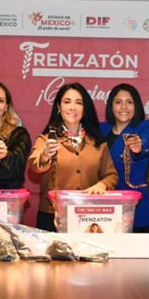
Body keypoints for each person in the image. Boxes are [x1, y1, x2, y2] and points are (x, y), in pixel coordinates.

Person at [28, 83, 118, 231]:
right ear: (59, 107)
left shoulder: (98, 141)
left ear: (84, 109)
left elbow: (111, 175)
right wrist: (45, 155)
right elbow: (34, 165)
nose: (72, 107)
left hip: (89, 216)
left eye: (78, 103)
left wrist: (102, 185)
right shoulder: (46, 139)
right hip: (52, 215)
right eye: (67, 102)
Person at [99, 84, 149, 232]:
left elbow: (148, 141)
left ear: (136, 106)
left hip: (135, 208)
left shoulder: (145, 126)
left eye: (129, 102)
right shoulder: (101, 129)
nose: (124, 107)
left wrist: (140, 145)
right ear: (111, 106)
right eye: (118, 102)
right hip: (104, 208)